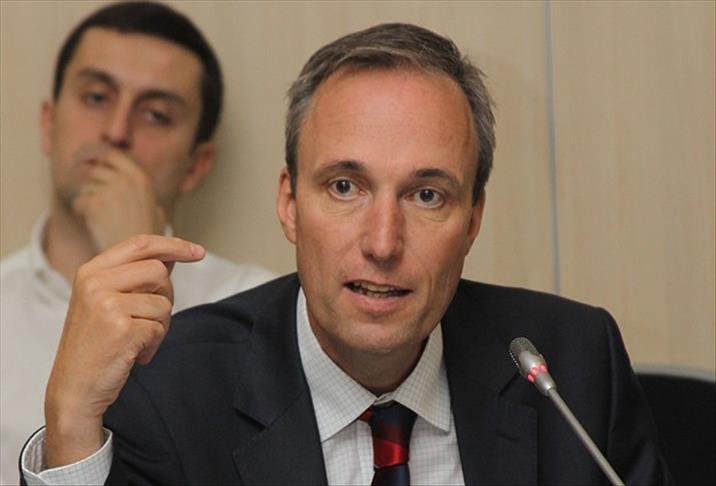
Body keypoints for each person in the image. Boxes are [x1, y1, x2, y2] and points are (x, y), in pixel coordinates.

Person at [20, 23, 672, 485]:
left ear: (473, 219)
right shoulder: (171, 387)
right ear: (289, 204)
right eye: (344, 187)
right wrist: (70, 424)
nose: (382, 243)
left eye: (426, 195)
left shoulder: (573, 365)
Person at [0, 2, 274, 482]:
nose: (116, 131)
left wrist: (134, 256)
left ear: (196, 164)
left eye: (156, 114)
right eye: (96, 97)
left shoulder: (260, 310)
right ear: (48, 123)